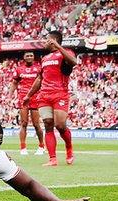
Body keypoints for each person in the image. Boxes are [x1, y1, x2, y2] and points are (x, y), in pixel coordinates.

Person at [23, 30, 77, 166]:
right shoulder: (44, 59)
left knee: (60, 125)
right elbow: (40, 78)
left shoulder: (66, 53)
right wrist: (29, 95)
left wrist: (59, 47)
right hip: (44, 96)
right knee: (48, 124)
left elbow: (73, 62)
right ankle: (52, 159)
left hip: (60, 94)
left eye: (47, 40)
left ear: (53, 40)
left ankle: (69, 148)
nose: (44, 42)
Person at [9, 51, 45, 155]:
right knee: (23, 123)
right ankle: (23, 148)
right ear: (24, 57)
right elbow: (14, 83)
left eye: (31, 55)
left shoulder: (39, 68)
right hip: (22, 98)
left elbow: (42, 81)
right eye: (27, 55)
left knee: (36, 124)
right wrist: (10, 96)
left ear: (34, 57)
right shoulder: (19, 69)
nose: (29, 57)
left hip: (35, 97)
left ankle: (41, 146)